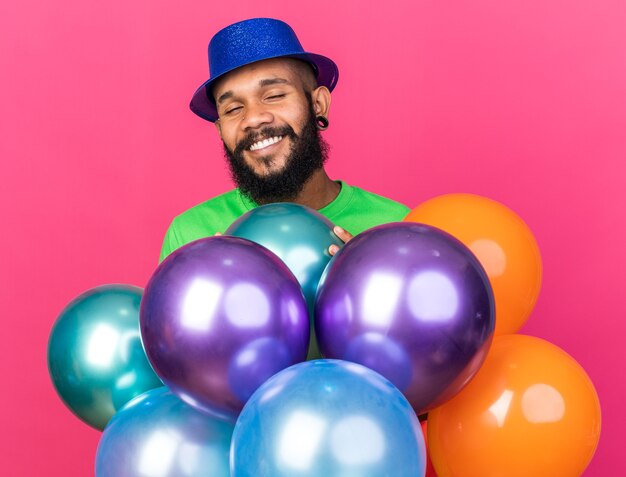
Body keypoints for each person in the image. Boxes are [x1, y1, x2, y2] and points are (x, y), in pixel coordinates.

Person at [160, 18, 409, 262]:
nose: (254, 118)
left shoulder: (397, 227)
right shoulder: (190, 238)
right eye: (233, 109)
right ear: (221, 131)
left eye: (274, 95)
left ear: (318, 104)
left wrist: (368, 278)